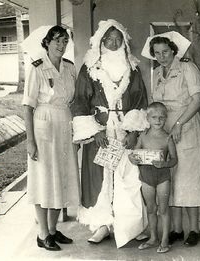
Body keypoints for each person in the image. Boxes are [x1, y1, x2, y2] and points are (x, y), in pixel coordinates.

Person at [71, 19, 148, 247]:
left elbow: (140, 100)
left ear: (124, 41)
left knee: (128, 178)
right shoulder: (89, 68)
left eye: (118, 39)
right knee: (100, 179)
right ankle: (102, 225)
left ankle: (129, 226)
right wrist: (94, 132)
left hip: (124, 132)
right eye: (109, 39)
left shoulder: (133, 69)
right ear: (101, 41)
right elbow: (80, 102)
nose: (114, 43)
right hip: (101, 133)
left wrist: (133, 131)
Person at [141, 31, 200, 246]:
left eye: (165, 52)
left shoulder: (187, 67)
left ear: (173, 51)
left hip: (185, 126)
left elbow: (197, 100)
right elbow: (155, 105)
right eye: (157, 53)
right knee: (170, 177)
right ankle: (177, 229)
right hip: (164, 128)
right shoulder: (158, 72)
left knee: (188, 177)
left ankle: (194, 229)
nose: (161, 56)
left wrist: (179, 123)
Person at [22, 25, 80, 251]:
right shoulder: (37, 68)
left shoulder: (69, 68)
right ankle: (42, 233)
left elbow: (73, 101)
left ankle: (54, 230)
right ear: (47, 42)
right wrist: (30, 140)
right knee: (43, 179)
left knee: (61, 178)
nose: (61, 45)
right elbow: (27, 106)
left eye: (65, 41)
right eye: (57, 40)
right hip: (43, 125)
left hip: (64, 123)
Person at [128, 102, 178, 253]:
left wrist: (164, 164)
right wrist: (132, 158)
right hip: (146, 177)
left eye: (162, 118)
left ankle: (165, 240)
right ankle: (153, 237)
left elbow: (175, 160)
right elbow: (134, 154)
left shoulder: (168, 138)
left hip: (162, 177)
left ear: (166, 119)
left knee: (163, 209)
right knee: (151, 208)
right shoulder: (143, 136)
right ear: (147, 119)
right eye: (154, 117)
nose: (158, 120)